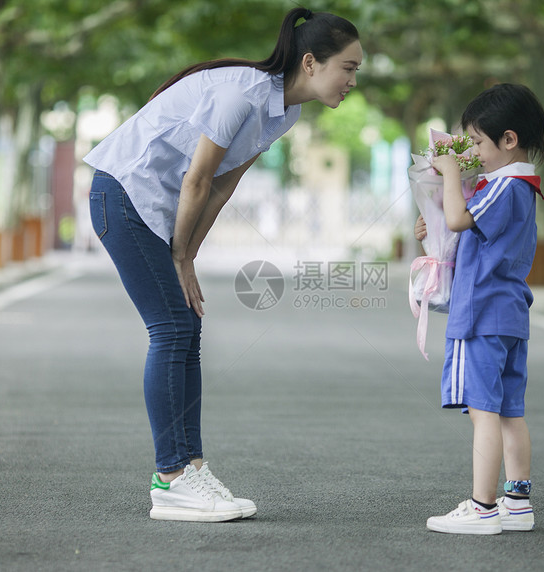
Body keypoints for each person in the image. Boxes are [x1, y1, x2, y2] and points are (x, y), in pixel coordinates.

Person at [83, 7, 361, 522]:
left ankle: (190, 466)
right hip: (122, 194)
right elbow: (196, 179)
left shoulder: (286, 112)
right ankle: (170, 478)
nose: (351, 80)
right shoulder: (242, 95)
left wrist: (189, 254)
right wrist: (181, 255)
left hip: (150, 205)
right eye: (348, 67)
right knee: (170, 328)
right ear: (310, 62)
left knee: (186, 327)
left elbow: (224, 184)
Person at [415, 83, 544, 535]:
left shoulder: (503, 183)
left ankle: (483, 507)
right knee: (509, 410)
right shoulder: (523, 186)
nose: (471, 151)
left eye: (476, 142)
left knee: (482, 410)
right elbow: (461, 227)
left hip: (483, 313)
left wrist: (450, 174)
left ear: (508, 140)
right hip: (509, 314)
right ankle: (517, 502)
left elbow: (458, 219)